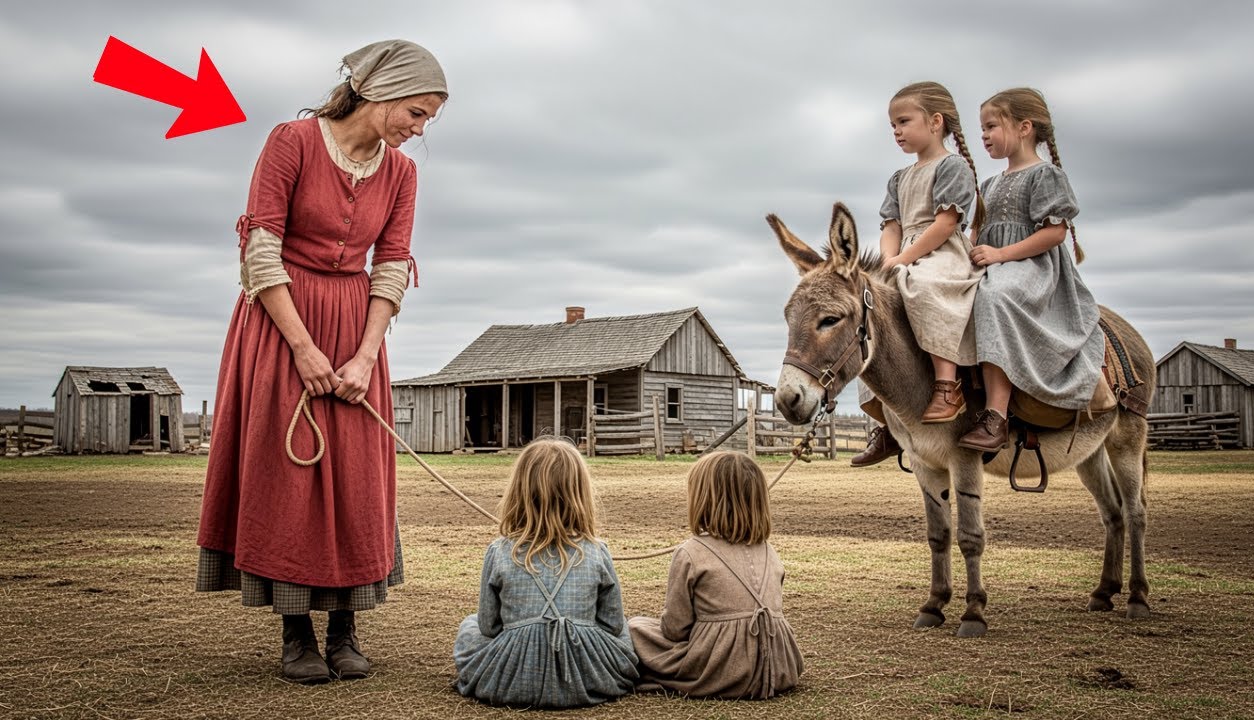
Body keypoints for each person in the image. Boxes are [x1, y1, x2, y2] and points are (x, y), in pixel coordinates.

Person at [196, 39, 447, 684]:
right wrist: (303, 349)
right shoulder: (292, 141)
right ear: (380, 93)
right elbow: (260, 248)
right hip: (280, 321)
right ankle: (295, 633)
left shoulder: (402, 174)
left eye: (428, 120)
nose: (418, 132)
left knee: (359, 482)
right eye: (415, 114)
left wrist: (365, 355)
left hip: (358, 329)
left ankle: (346, 629)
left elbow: (392, 265)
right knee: (290, 477)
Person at [959, 88, 1103, 451]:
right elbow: (977, 234)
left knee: (994, 297)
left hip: (1033, 270)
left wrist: (1001, 255)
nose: (984, 136)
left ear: (1024, 127)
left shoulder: (1046, 175)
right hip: (992, 261)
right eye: (982, 129)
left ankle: (996, 415)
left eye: (991, 126)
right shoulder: (989, 185)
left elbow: (1055, 233)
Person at [852, 81, 984, 466]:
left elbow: (945, 224)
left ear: (936, 121)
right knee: (869, 306)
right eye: (892, 124)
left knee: (925, 287)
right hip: (906, 252)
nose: (896, 131)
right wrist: (887, 262)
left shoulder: (952, 167)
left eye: (903, 121)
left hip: (941, 252)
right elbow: (890, 225)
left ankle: (947, 385)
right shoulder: (898, 178)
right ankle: (886, 413)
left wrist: (906, 259)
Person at [453, 437, 639, 707]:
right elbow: (612, 624)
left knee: (469, 627)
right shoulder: (598, 551)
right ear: (580, 494)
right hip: (589, 680)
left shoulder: (499, 551)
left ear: (519, 492)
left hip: (511, 679)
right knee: (628, 630)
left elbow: (488, 626)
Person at [628, 451, 803, 699]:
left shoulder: (691, 552)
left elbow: (675, 629)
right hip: (778, 665)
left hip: (721, 666)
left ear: (703, 500)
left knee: (635, 627)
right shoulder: (769, 550)